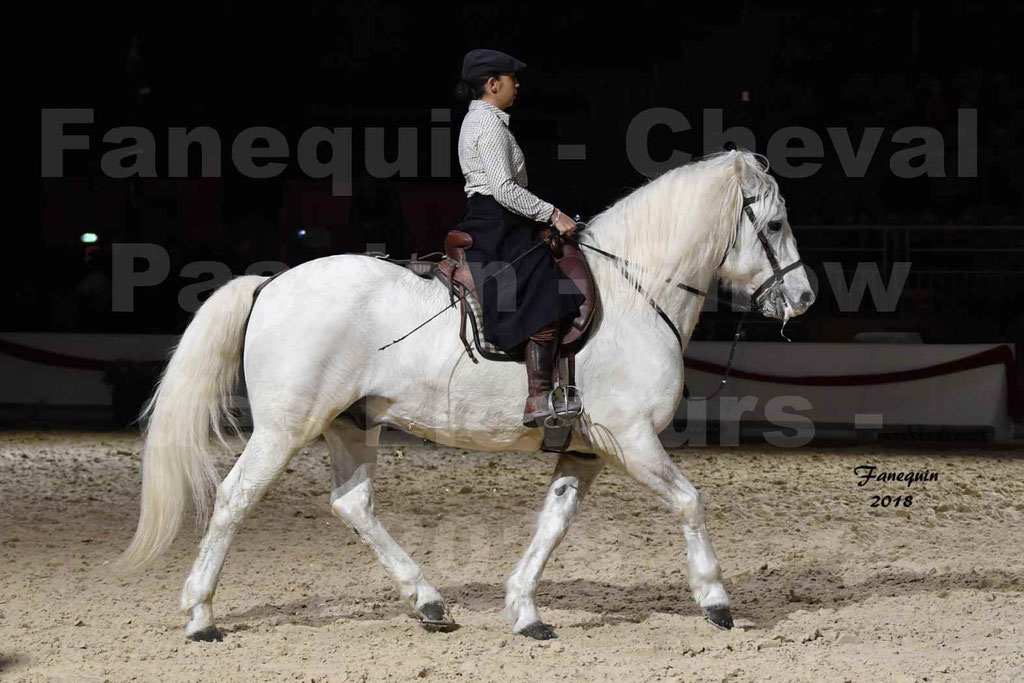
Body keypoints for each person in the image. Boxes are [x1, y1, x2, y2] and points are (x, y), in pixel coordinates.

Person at [453, 48, 587, 428]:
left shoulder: (484, 121)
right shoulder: (488, 125)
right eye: (512, 79)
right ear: (492, 84)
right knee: (544, 288)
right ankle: (538, 396)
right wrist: (553, 214)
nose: (517, 85)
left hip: (499, 218)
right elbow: (504, 189)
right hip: (496, 221)